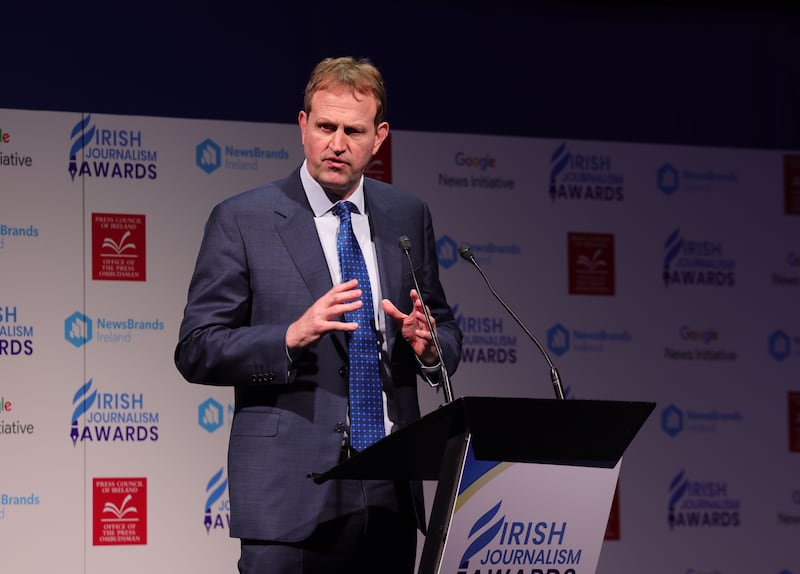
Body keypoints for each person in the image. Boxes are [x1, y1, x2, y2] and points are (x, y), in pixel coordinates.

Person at [175, 56, 462, 574]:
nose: (337, 143)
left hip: (390, 489)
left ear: (380, 137)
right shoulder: (244, 219)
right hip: (289, 497)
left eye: (353, 130)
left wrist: (427, 346)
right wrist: (287, 337)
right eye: (325, 126)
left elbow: (442, 328)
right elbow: (196, 347)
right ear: (303, 126)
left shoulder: (407, 215)